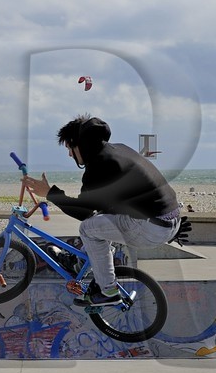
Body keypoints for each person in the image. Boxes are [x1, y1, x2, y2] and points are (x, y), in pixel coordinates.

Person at [20, 115, 180, 308]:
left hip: (151, 228)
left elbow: (82, 212)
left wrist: (49, 193)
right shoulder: (120, 150)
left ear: (79, 144)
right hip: (170, 221)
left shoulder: (99, 165)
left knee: (88, 228)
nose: (70, 155)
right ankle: (83, 259)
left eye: (70, 148)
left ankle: (108, 291)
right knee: (100, 219)